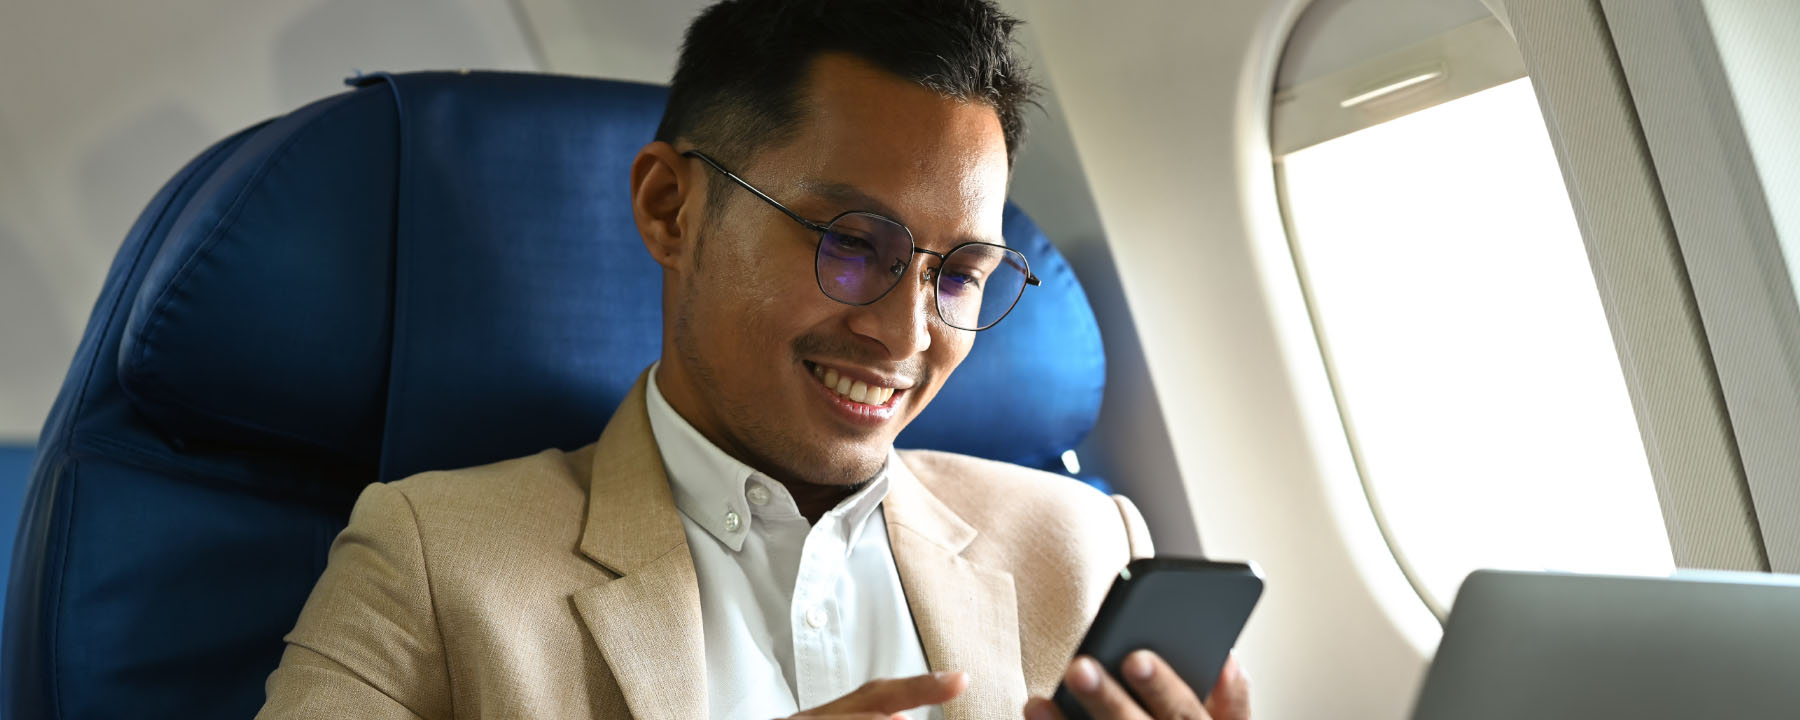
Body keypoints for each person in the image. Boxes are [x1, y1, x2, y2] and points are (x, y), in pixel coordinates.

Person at [256, 1, 1251, 718]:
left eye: (959, 275)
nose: (907, 337)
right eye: (853, 244)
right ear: (670, 209)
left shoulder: (1086, 551)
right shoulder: (433, 564)